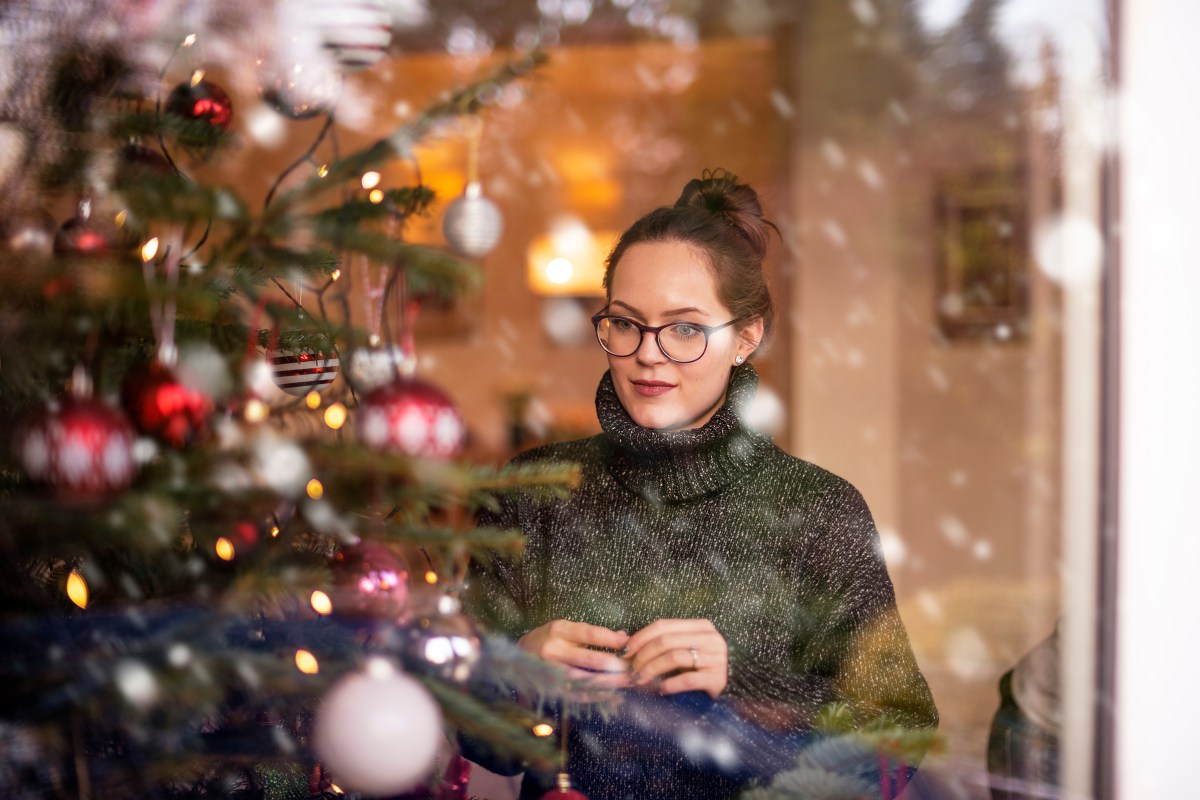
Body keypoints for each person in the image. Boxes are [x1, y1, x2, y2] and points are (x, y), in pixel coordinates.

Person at [463, 170, 937, 799]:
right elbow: (477, 740)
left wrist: (743, 694)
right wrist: (515, 673)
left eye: (685, 328)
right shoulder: (534, 491)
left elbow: (898, 740)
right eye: (626, 323)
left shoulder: (818, 509)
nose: (648, 354)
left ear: (746, 337)